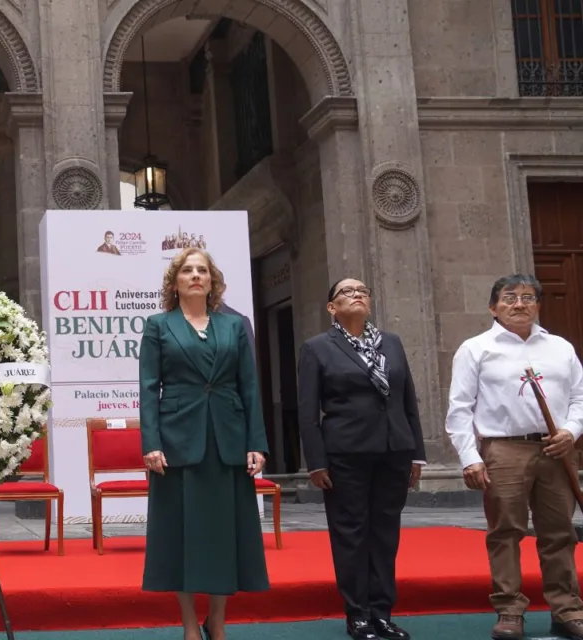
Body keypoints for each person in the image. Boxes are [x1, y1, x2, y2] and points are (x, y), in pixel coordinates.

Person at [138, 247, 269, 640]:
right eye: (188, 270)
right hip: (177, 443)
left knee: (221, 534)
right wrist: (151, 443)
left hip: (226, 440)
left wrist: (257, 443)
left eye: (203, 271)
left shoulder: (233, 327)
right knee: (179, 534)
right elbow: (148, 389)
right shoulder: (158, 326)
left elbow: (249, 387)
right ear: (175, 281)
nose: (196, 275)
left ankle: (218, 620)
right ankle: (189, 624)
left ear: (212, 281)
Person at [446, 274, 583, 640]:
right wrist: (469, 457)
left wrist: (571, 430)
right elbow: (460, 409)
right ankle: (509, 610)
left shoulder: (560, 348)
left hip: (556, 449)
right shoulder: (476, 348)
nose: (519, 304)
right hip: (502, 449)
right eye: (509, 298)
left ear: (538, 304)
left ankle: (567, 609)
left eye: (527, 297)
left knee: (559, 533)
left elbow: (579, 398)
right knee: (506, 531)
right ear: (494, 307)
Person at [297, 278, 426, 640]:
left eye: (363, 291)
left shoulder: (392, 343)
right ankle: (358, 615)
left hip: (394, 451)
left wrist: (417, 454)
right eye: (347, 292)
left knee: (385, 533)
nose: (357, 295)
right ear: (331, 308)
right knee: (351, 534)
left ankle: (382, 612)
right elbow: (308, 411)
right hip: (345, 454)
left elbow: (408, 401)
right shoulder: (318, 348)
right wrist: (316, 461)